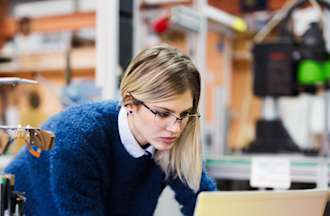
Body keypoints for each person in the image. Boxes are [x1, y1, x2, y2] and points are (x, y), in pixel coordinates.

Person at [5, 45, 217, 216]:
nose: (176, 127)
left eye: (185, 114)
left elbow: (205, 204)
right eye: (163, 113)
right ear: (130, 102)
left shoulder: (169, 136)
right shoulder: (79, 136)